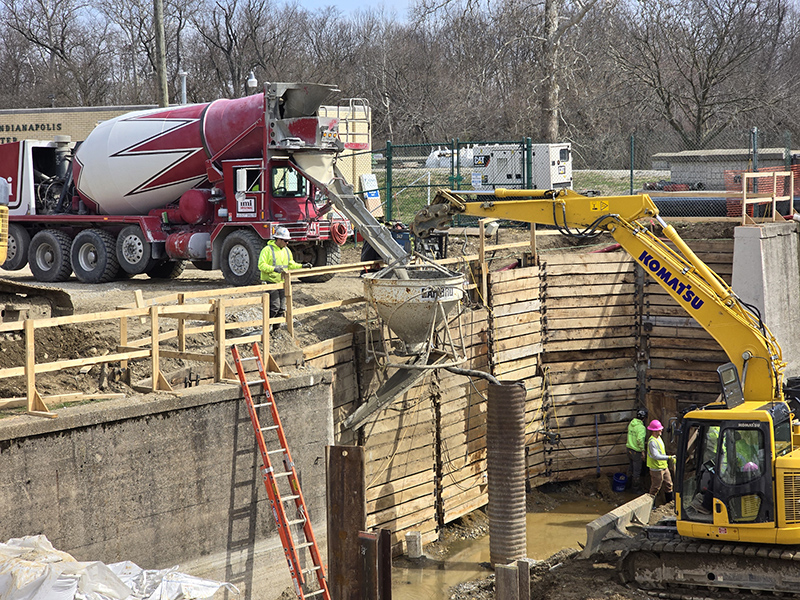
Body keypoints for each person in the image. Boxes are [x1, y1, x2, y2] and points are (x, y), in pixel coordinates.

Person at [257, 227, 310, 330]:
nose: (287, 243)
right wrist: (273, 269)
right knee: (274, 307)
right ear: (279, 239)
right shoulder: (267, 250)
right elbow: (261, 265)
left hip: (282, 282)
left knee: (282, 308)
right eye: (285, 241)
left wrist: (301, 266)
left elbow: (290, 264)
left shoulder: (286, 250)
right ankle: (266, 329)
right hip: (270, 282)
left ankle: (276, 330)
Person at [647, 419, 676, 502]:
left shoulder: (659, 438)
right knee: (655, 488)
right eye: (660, 429)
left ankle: (669, 502)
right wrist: (669, 457)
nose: (661, 430)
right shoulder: (652, 442)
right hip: (656, 468)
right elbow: (656, 456)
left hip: (664, 466)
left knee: (669, 484)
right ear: (655, 431)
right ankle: (651, 505)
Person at [626, 408, 648, 491]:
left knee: (630, 468)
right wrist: (642, 450)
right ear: (644, 418)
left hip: (629, 449)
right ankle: (635, 489)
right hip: (636, 451)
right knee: (636, 471)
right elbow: (639, 440)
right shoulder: (641, 428)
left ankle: (627, 485)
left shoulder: (631, 424)